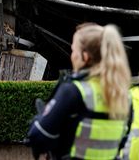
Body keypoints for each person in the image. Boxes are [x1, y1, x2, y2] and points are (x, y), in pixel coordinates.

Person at [27, 23, 132, 160]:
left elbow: (37, 137)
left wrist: (41, 117)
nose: (72, 56)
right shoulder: (123, 95)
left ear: (85, 56)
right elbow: (123, 143)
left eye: (73, 50)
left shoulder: (73, 91)